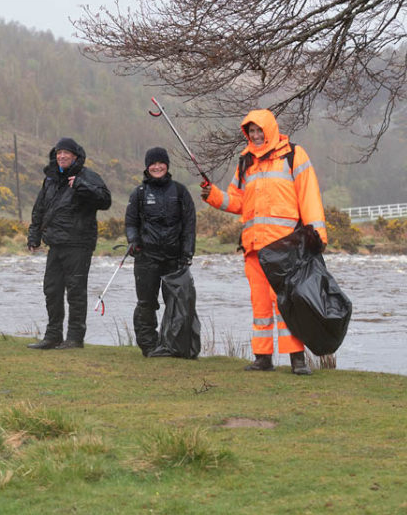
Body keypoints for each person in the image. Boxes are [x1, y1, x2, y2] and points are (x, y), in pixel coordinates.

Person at [201, 109, 327, 375]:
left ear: (269, 129)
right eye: (251, 131)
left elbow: (309, 197)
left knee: (287, 304)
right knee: (259, 306)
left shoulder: (294, 155)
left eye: (259, 130)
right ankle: (263, 357)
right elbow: (237, 202)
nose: (256, 136)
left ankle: (297, 359)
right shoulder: (245, 161)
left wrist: (318, 236)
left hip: (284, 249)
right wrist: (212, 195)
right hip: (253, 248)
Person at [27, 137, 111, 349]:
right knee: (51, 289)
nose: (62, 156)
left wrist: (82, 186)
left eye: (66, 153)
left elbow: (105, 200)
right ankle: (53, 336)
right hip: (55, 243)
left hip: (79, 243)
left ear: (75, 156)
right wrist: (34, 235)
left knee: (75, 290)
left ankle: (74, 338)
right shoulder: (51, 179)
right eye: (58, 153)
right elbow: (39, 208)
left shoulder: (87, 176)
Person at [125, 147, 196, 356]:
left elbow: (189, 225)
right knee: (146, 303)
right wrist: (133, 241)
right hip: (146, 258)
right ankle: (149, 345)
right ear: (147, 167)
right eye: (153, 164)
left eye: (160, 163)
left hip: (174, 259)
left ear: (167, 166)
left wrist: (187, 252)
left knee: (176, 303)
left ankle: (174, 345)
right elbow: (131, 222)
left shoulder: (181, 192)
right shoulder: (138, 194)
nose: (157, 167)